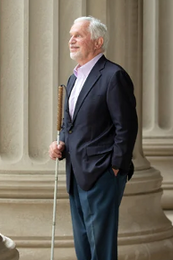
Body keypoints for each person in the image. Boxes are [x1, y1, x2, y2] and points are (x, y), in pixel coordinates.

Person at [49, 16, 138, 259]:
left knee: (101, 246)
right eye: (71, 35)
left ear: (98, 42)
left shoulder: (113, 76)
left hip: (102, 174)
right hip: (75, 172)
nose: (71, 40)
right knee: (84, 245)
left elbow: (127, 127)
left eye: (78, 35)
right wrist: (60, 144)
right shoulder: (74, 78)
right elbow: (71, 124)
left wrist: (116, 167)